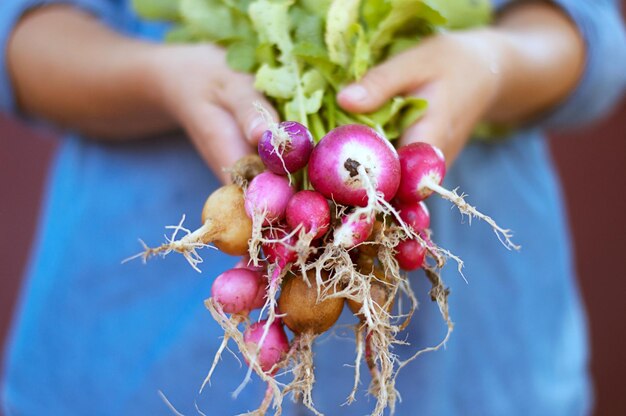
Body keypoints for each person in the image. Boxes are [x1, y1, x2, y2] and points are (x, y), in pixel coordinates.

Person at [1, 0, 625, 415]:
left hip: (482, 379)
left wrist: (495, 63)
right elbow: (22, 37)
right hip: (123, 370)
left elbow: (595, 40)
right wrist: (159, 76)